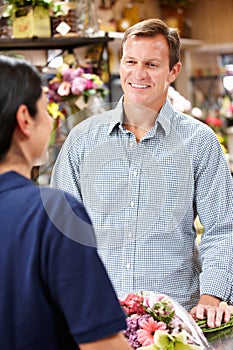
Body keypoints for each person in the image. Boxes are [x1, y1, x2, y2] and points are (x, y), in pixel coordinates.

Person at [51, 19, 233, 328]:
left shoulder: (199, 142)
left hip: (175, 319)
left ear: (173, 71)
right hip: (97, 317)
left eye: (152, 64)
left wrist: (212, 296)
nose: (139, 73)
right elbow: (60, 229)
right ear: (120, 64)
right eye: (131, 61)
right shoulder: (83, 139)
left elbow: (222, 229)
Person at [0, 54, 133, 350]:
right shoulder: (52, 215)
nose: (51, 119)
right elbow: (104, 345)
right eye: (45, 108)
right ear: (24, 119)